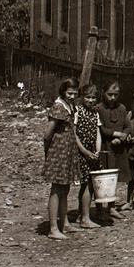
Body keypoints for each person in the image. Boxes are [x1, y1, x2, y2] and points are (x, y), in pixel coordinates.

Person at [40, 79, 96, 240]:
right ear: (62, 92)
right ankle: (53, 228)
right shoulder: (58, 108)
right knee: (57, 189)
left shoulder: (69, 107)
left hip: (68, 152)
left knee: (65, 189)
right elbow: (47, 134)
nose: (72, 96)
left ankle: (64, 223)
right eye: (69, 93)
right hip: (58, 153)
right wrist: (48, 152)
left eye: (74, 94)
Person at [94, 81, 131, 222]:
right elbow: (101, 128)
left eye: (116, 95)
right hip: (104, 147)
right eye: (109, 94)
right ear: (103, 93)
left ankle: (111, 207)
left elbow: (128, 126)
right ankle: (99, 209)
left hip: (118, 148)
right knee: (101, 178)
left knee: (113, 178)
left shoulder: (122, 108)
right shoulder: (98, 109)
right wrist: (117, 134)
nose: (112, 98)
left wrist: (122, 138)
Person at [72, 80, 105, 229]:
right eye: (87, 97)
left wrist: (97, 150)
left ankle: (83, 214)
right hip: (82, 153)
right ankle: (85, 218)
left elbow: (98, 133)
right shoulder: (77, 111)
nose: (90, 101)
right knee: (86, 184)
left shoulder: (95, 113)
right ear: (81, 97)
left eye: (93, 98)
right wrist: (84, 152)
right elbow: (74, 135)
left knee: (92, 184)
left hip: (93, 153)